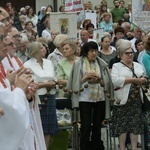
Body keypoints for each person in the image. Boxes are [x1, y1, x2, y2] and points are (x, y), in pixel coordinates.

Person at [65, 41, 114, 150]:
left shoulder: (101, 63)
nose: (94, 53)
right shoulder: (78, 63)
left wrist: (99, 80)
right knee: (85, 125)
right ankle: (84, 146)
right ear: (86, 52)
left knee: (97, 125)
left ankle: (97, 146)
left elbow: (106, 82)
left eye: (96, 51)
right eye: (91, 51)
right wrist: (86, 77)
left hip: (100, 97)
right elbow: (75, 81)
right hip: (84, 98)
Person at [110, 39, 146, 150]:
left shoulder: (138, 65)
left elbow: (144, 76)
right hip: (122, 100)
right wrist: (132, 80)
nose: (130, 55)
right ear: (121, 55)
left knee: (135, 125)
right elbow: (115, 80)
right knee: (122, 126)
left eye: (131, 52)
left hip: (136, 100)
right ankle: (122, 147)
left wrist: (143, 80)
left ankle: (134, 147)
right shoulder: (116, 66)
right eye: (127, 53)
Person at [24, 41, 58, 149]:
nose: (44, 50)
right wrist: (45, 84)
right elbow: (30, 83)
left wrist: (53, 84)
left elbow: (54, 77)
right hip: (38, 97)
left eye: (45, 48)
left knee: (49, 129)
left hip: (50, 95)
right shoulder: (27, 65)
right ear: (35, 51)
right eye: (41, 48)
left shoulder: (48, 62)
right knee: (39, 127)